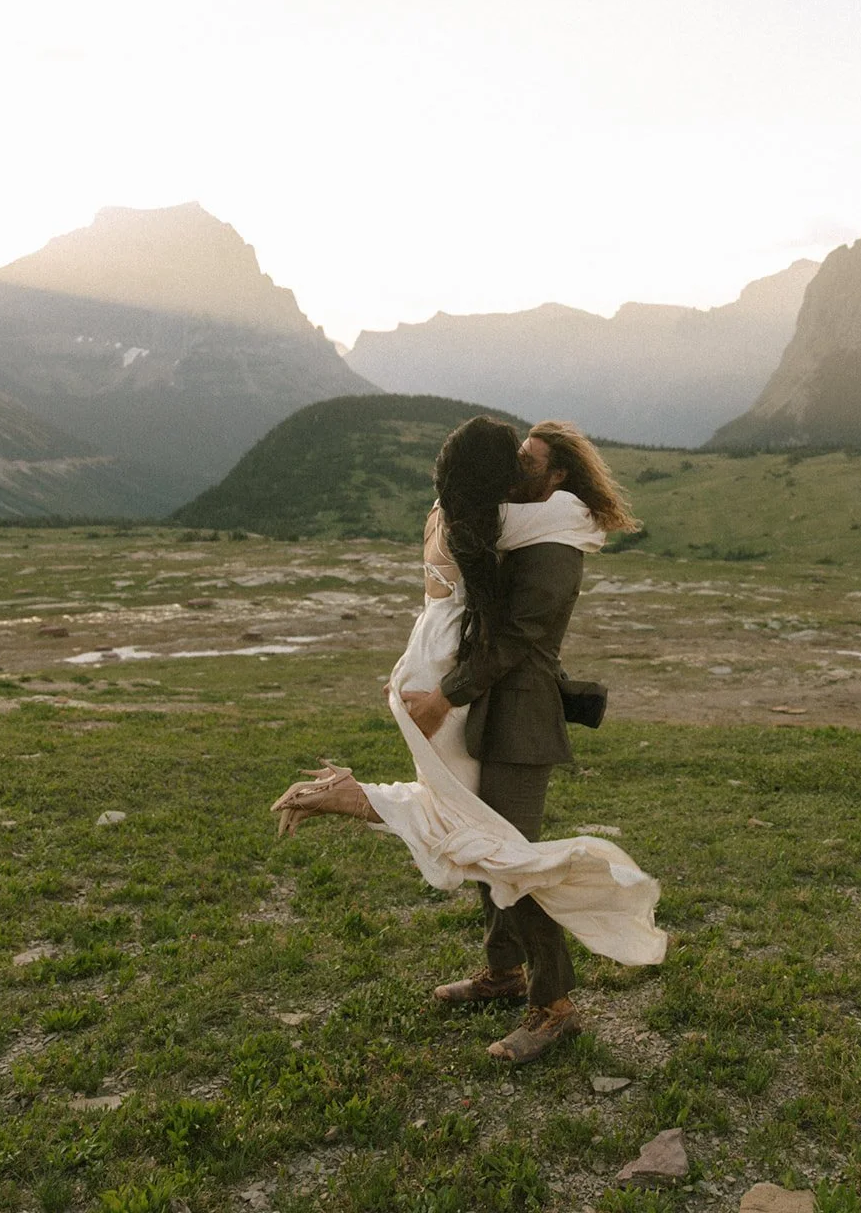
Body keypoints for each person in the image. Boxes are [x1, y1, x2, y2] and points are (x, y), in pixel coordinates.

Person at [271, 417, 666, 1064]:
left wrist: (444, 694)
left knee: (508, 860)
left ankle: (555, 1006)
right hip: (479, 706)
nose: (516, 469)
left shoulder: (554, 542)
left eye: (528, 462)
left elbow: (518, 639)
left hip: (517, 718)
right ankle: (504, 973)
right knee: (486, 849)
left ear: (557, 477)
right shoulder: (508, 522)